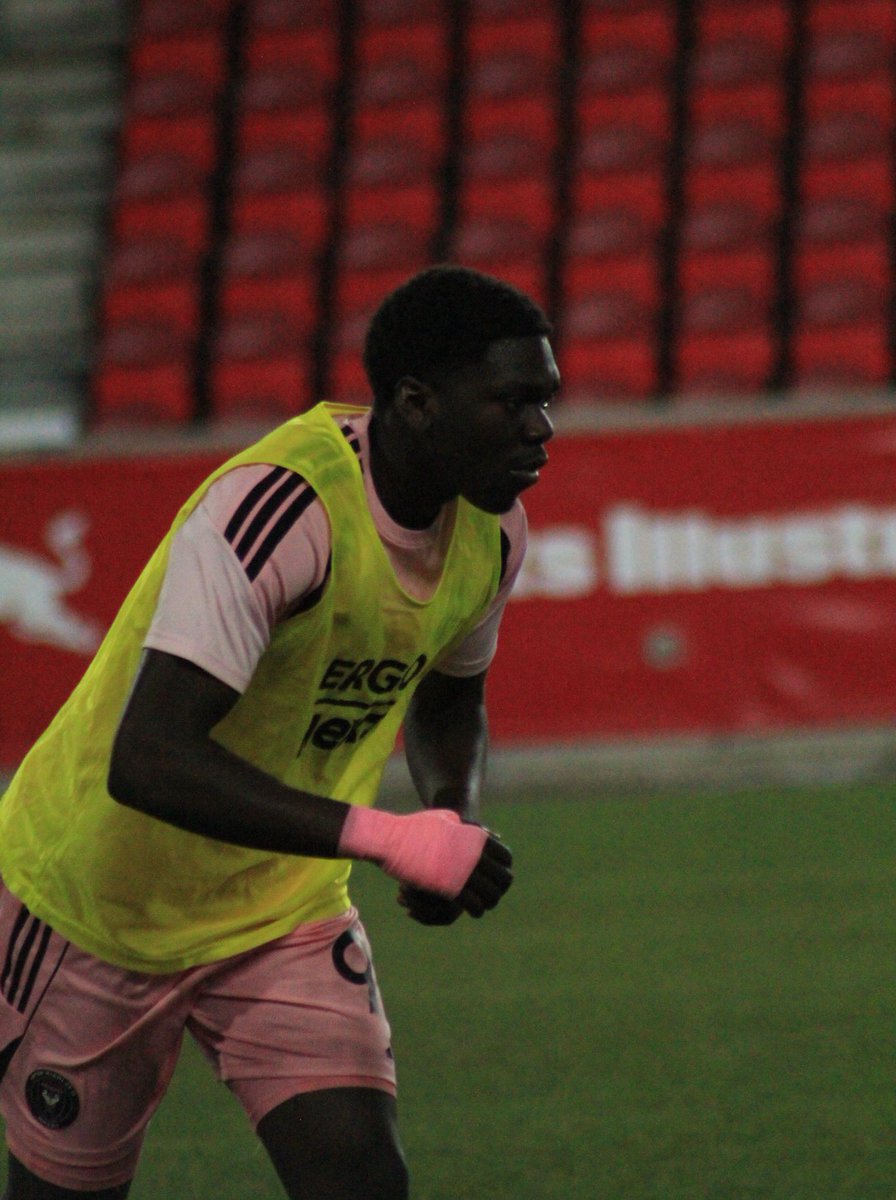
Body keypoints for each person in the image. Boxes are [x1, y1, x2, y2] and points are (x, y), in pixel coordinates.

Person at [0, 263, 560, 1200]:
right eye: (513, 402)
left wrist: (451, 815)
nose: (543, 430)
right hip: (97, 905)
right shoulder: (277, 510)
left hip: (280, 912)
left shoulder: (492, 534)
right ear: (417, 404)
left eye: (547, 401)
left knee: (361, 1178)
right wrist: (389, 836)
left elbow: (450, 696)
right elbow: (150, 759)